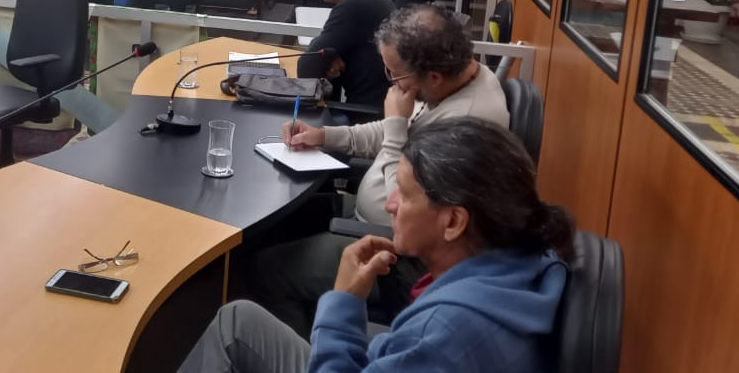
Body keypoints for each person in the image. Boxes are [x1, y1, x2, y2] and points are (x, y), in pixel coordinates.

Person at [179, 116, 574, 373]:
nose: (390, 204)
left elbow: (422, 347)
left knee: (234, 322)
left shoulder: (440, 334)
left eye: (404, 194)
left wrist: (344, 301)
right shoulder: (530, 257)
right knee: (240, 319)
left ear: (454, 221)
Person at [253, 4, 511, 334]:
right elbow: (393, 132)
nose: (390, 84)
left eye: (394, 75)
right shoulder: (458, 78)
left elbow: (402, 208)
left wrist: (396, 125)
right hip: (365, 218)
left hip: (391, 252)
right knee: (276, 222)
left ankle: (304, 353)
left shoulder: (468, 126)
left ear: (433, 77)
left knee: (269, 270)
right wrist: (325, 136)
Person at [297, 0, 396, 109]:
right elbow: (318, 56)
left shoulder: (353, 7)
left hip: (363, 116)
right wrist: (328, 58)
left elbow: (306, 66)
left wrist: (324, 59)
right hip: (381, 109)